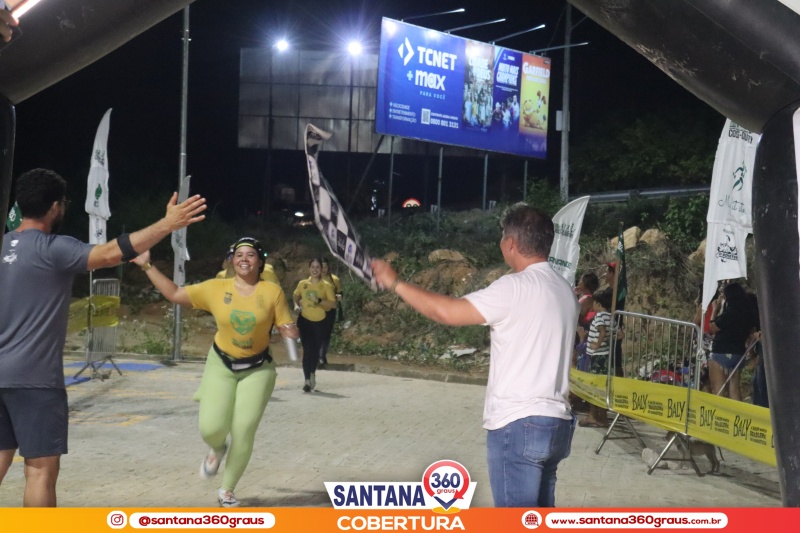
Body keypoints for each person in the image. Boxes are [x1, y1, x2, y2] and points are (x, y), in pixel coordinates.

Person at [0, 168, 206, 507]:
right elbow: (112, 253)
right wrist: (167, 224)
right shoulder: (54, 248)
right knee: (39, 471)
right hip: (35, 380)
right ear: (55, 206)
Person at [372, 203, 577, 508]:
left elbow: (446, 312)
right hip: (556, 423)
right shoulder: (565, 290)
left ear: (511, 243)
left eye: (502, 236)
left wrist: (395, 282)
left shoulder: (514, 287)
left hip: (518, 422)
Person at [131, 237, 298, 508]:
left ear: (260, 261)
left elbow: (285, 325)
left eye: (251, 255)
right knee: (211, 428)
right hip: (221, 363)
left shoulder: (272, 292)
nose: (244, 259)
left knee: (243, 429)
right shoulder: (216, 288)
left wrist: (290, 332)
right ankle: (218, 448)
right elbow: (175, 294)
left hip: (258, 369)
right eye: (239, 255)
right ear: (232, 260)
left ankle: (227, 490)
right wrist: (147, 266)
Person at [293, 258, 335, 392]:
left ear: (321, 269)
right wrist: (296, 305)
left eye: (318, 267)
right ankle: (306, 380)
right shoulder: (303, 284)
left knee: (315, 350)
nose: (315, 270)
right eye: (312, 267)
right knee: (307, 350)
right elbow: (296, 295)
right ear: (309, 268)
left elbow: (333, 304)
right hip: (305, 321)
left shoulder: (326, 285)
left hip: (320, 322)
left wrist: (319, 300)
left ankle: (312, 373)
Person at [708, 282, 753, 401]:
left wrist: (715, 310)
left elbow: (713, 328)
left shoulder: (730, 312)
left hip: (721, 352)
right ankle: (737, 412)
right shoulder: (746, 312)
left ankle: (718, 411)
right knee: (735, 389)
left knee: (718, 390)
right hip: (738, 353)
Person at [577, 290, 613, 427]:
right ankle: (602, 417)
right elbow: (620, 334)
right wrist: (607, 341)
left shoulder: (598, 317)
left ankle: (593, 415)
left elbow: (602, 331)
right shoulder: (611, 317)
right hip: (606, 356)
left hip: (596, 356)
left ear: (598, 304)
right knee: (602, 386)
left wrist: (597, 344)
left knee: (593, 385)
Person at [319, 257, 342, 367]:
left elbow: (340, 293)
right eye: (321, 267)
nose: (323, 269)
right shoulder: (313, 279)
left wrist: (338, 296)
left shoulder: (334, 279)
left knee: (326, 334)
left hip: (330, 310)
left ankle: (322, 356)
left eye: (325, 267)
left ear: (328, 267)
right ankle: (317, 356)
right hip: (317, 310)